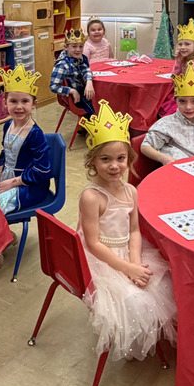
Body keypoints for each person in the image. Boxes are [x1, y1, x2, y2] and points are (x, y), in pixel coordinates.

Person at [77, 100, 177, 361]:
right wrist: (126, 268)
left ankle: (147, 337)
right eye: (105, 159)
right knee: (135, 301)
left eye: (121, 159)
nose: (114, 166)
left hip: (128, 252)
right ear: (93, 161)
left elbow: (134, 232)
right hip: (102, 258)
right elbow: (93, 243)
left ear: (129, 159)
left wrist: (135, 263)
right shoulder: (91, 196)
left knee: (164, 283)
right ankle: (131, 343)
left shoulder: (131, 191)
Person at [0, 65, 52, 267]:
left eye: (25, 101)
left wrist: (13, 183)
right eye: (13, 101)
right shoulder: (8, 125)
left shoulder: (35, 133)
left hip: (30, 185)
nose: (19, 107)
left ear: (33, 104)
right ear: (5, 102)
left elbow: (44, 169)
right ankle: (5, 235)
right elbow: (4, 152)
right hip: (7, 177)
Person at [158, 18, 194, 117]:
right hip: (184, 92)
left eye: (187, 44)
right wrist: (178, 61)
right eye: (180, 44)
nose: (182, 47)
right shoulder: (183, 59)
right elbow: (175, 75)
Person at [50, 27, 95, 119]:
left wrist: (89, 82)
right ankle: (96, 128)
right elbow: (53, 86)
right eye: (74, 46)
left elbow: (85, 69)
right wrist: (71, 91)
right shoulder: (62, 64)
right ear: (66, 47)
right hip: (75, 97)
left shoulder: (79, 58)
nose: (78, 50)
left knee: (101, 97)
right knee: (98, 107)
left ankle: (85, 126)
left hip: (83, 91)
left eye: (81, 46)